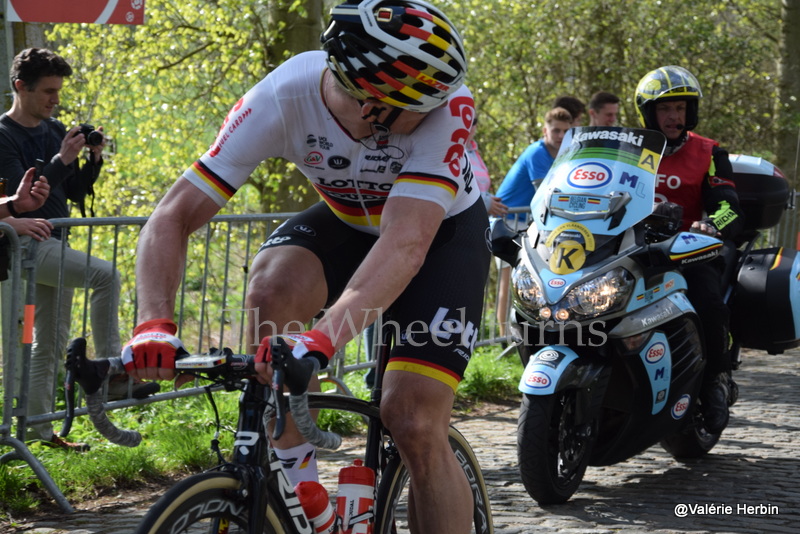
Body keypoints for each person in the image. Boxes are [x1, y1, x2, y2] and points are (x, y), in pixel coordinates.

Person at [120, 1, 488, 532]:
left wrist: (320, 341)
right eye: (421, 103)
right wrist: (153, 323)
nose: (439, 107)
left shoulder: (449, 107)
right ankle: (302, 495)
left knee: (412, 421)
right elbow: (172, 215)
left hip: (441, 238)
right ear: (370, 102)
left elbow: (407, 245)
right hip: (345, 218)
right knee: (271, 286)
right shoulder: (283, 95)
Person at [0, 48, 159, 451]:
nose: (55, 100)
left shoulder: (53, 130)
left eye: (58, 91)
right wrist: (60, 158)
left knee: (49, 343)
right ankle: (113, 370)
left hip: (54, 248)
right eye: (48, 92)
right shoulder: (3, 136)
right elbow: (26, 196)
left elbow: (73, 191)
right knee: (104, 275)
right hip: (25, 248)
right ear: (20, 87)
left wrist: (93, 159)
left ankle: (40, 434)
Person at [635, 65, 743, 434]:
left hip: (688, 250)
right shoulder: (631, 150)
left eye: (680, 108)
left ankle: (716, 378)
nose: (674, 116)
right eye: (666, 109)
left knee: (708, 301)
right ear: (650, 113)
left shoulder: (709, 151)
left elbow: (729, 205)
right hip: (630, 248)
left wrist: (712, 224)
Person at [494, 107, 572, 339]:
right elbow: (545, 193)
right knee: (508, 284)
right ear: (544, 130)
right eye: (555, 130)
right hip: (507, 223)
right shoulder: (537, 152)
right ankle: (502, 338)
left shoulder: (563, 153)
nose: (560, 136)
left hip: (527, 224)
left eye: (565, 132)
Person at [467, 114, 508, 218]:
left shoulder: (473, 151)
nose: (469, 126)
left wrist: (489, 200)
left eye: (473, 121)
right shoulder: (450, 150)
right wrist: (485, 203)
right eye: (465, 120)